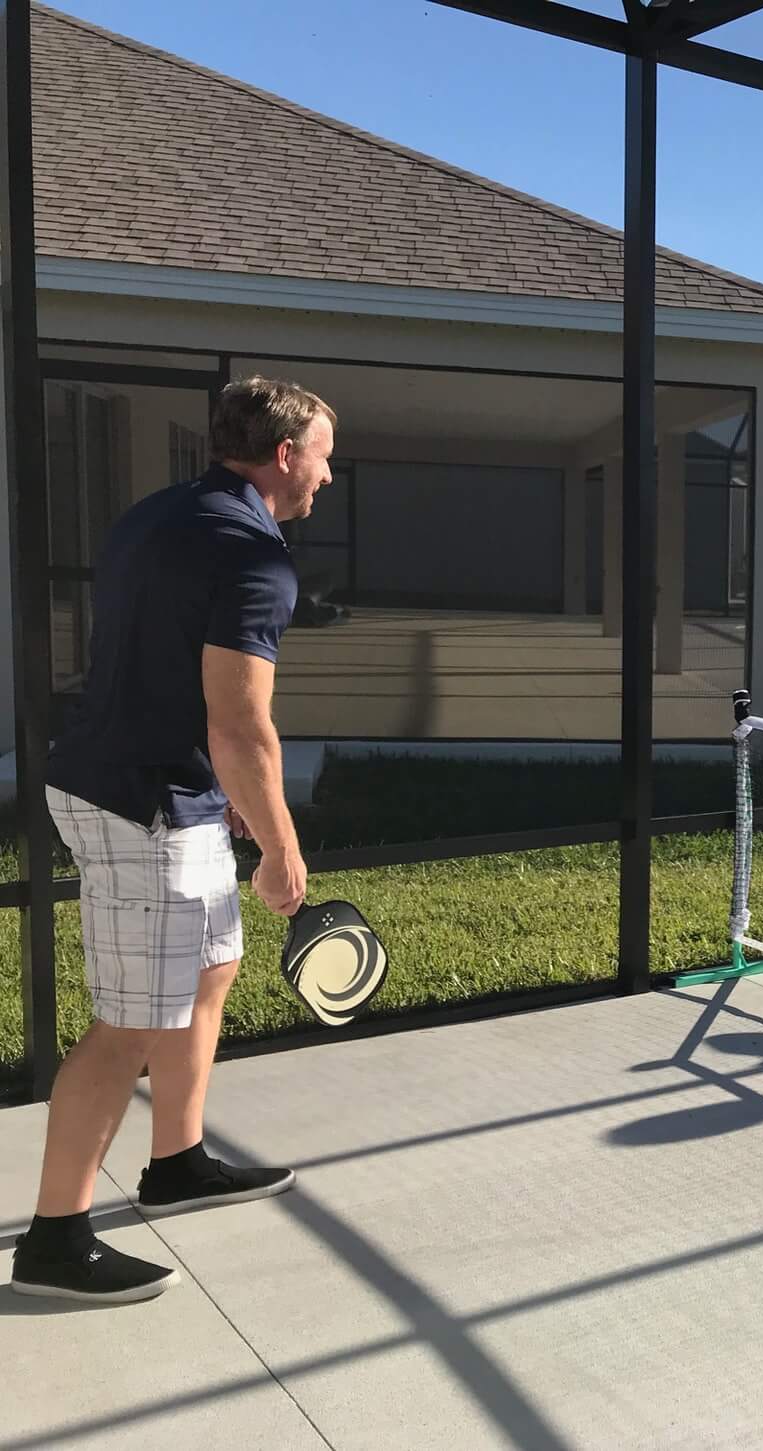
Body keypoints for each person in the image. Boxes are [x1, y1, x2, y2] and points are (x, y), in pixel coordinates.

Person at [10, 376, 334, 1303]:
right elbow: (241, 721)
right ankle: (56, 1241)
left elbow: (161, 667)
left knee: (209, 969)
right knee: (130, 1023)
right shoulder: (253, 552)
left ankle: (177, 1160)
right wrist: (279, 841)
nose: (328, 474)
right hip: (140, 802)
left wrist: (224, 790)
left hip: (145, 781)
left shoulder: (157, 516)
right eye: (323, 454)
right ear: (284, 455)